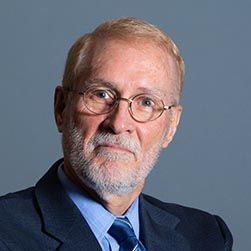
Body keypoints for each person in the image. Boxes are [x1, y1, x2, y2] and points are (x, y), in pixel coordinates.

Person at [0, 17, 233, 251]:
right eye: (101, 94)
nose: (119, 123)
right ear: (61, 108)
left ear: (171, 126)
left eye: (146, 102)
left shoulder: (206, 237)